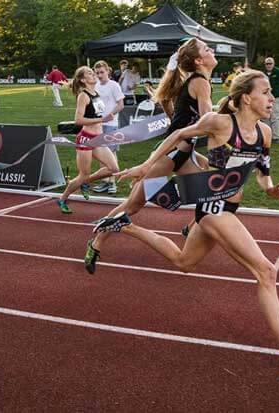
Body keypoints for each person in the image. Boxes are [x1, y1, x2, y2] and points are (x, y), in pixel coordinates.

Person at [95, 70, 279, 376]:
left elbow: (261, 170)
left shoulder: (264, 133)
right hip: (213, 206)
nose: (272, 98)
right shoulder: (220, 124)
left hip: (229, 209)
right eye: (265, 92)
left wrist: (270, 188)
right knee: (266, 271)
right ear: (247, 97)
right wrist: (147, 164)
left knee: (184, 262)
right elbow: (179, 134)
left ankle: (124, 226)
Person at [84, 38, 216, 274]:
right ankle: (96, 241)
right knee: (133, 206)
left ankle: (192, 226)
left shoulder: (194, 81)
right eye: (207, 49)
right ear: (198, 60)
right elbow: (208, 122)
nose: (212, 50)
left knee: (214, 190)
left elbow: (166, 99)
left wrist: (178, 120)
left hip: (185, 154)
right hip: (169, 155)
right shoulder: (200, 83)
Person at [56, 66, 119, 213]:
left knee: (114, 169)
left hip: (98, 138)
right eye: (90, 73)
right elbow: (78, 120)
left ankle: (85, 182)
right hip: (86, 139)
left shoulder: (95, 93)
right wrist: (103, 119)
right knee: (83, 174)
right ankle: (62, 199)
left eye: (93, 72)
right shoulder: (83, 96)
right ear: (83, 80)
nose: (94, 74)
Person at [91, 60, 124, 195]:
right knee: (100, 154)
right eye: (97, 73)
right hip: (99, 124)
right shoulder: (96, 86)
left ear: (108, 71)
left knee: (111, 153)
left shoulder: (114, 85)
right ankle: (104, 181)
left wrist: (110, 115)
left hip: (111, 124)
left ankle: (112, 182)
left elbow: (121, 105)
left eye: (102, 72)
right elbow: (96, 104)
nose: (99, 75)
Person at [263, 57, 279, 143]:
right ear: (265, 64)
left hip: (277, 98)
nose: (269, 65)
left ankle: (276, 137)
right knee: (265, 117)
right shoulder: (263, 73)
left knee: (276, 118)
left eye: (270, 63)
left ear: (273, 64)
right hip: (265, 99)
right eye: (267, 64)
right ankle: (266, 136)